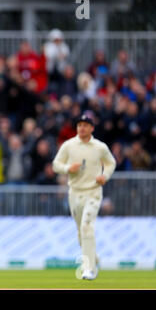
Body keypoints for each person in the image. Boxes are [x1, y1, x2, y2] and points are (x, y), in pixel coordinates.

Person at [52, 114, 116, 280]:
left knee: (87, 226)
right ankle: (93, 258)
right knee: (81, 232)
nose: (82, 128)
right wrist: (68, 168)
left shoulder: (100, 147)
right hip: (75, 193)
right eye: (79, 125)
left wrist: (105, 176)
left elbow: (111, 163)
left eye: (85, 125)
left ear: (92, 128)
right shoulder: (69, 145)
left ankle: (88, 269)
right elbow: (56, 165)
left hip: (93, 192)